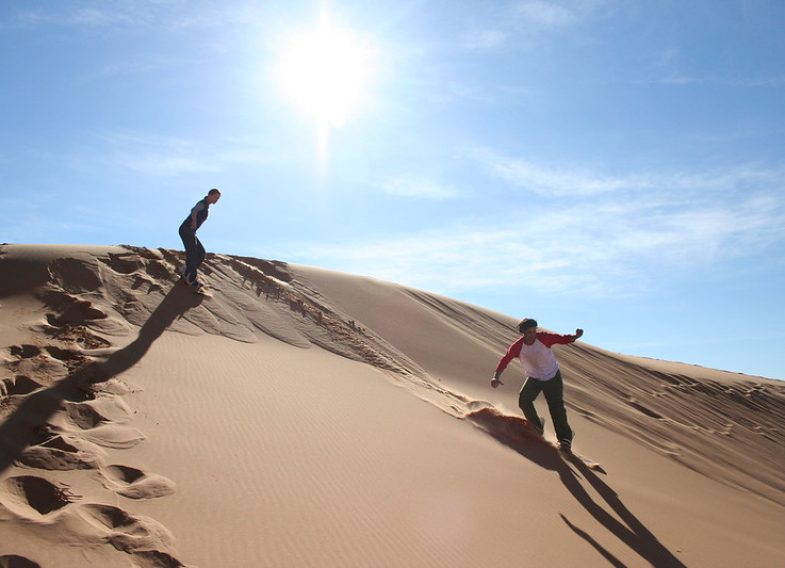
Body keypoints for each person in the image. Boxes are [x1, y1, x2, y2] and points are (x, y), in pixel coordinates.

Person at [491, 318, 583, 451]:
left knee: (555, 407)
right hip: (534, 378)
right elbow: (505, 359)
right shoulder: (517, 346)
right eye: (529, 332)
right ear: (523, 333)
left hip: (552, 376)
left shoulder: (543, 338)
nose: (533, 334)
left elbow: (560, 339)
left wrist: (574, 337)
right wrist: (496, 376)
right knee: (524, 400)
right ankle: (537, 426)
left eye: (534, 331)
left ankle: (565, 438)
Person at [179, 188, 221, 291]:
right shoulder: (203, 203)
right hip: (186, 230)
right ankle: (191, 278)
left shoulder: (206, 206)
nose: (216, 200)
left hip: (190, 232)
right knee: (192, 253)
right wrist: (193, 221)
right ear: (210, 195)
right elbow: (194, 210)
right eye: (215, 197)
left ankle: (186, 270)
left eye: (218, 198)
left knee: (201, 253)